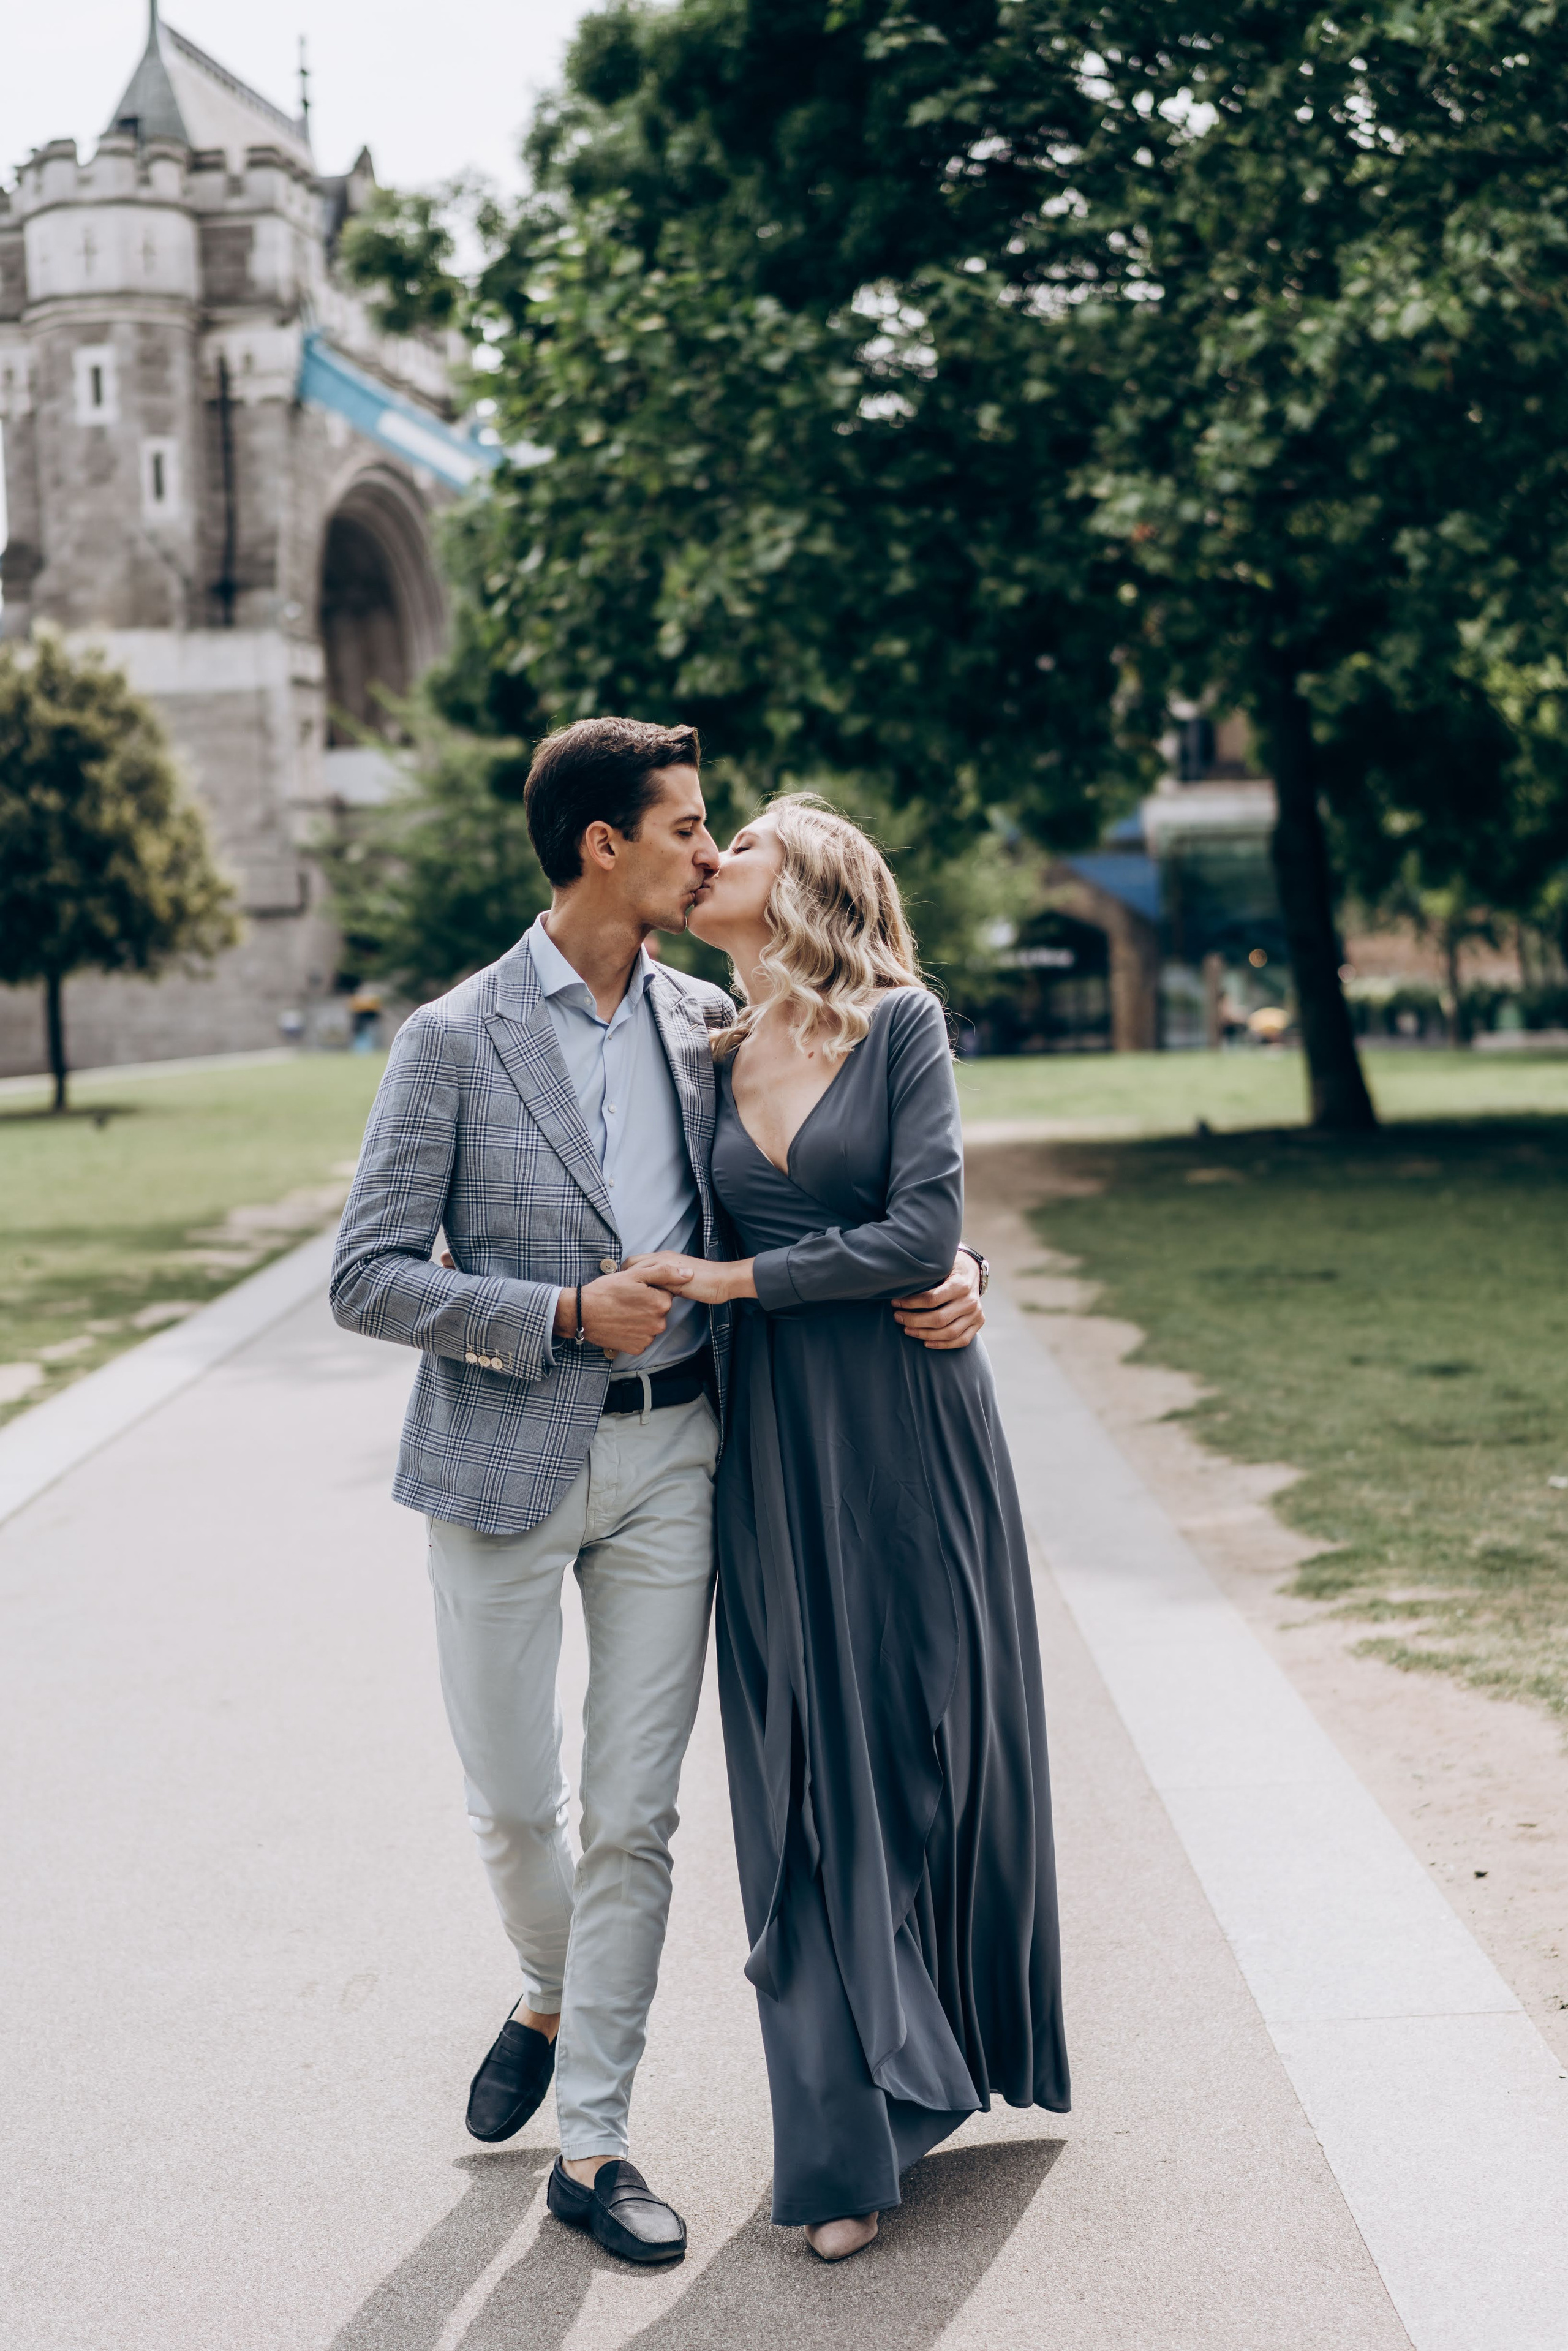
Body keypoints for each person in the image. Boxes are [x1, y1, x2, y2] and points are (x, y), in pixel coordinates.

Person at [328, 723, 984, 2270]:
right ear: (601, 846)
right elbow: (362, 1275)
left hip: (682, 1451)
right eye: (686, 828)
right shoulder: (450, 1036)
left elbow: (837, 1174)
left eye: (714, 831)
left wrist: (960, 1265)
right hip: (499, 1458)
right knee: (511, 1804)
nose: (710, 854)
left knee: (636, 1814)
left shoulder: (709, 1017)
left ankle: (596, 2140)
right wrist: (556, 1313)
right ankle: (547, 1988)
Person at [622, 795, 1070, 2263]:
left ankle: (934, 2059)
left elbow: (914, 1233)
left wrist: (747, 1283)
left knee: (923, 1736)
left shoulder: (902, 1024)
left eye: (734, 843)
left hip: (912, 1428)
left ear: (806, 881)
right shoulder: (699, 1048)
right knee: (800, 1770)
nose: (706, 861)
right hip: (770, 1453)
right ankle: (841, 2138)